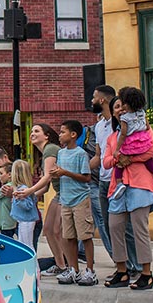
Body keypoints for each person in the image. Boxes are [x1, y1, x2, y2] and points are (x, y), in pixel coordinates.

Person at [103, 96, 153, 291]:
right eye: (116, 107)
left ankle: (146, 273)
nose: (120, 110)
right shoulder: (112, 137)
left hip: (140, 185)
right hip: (117, 188)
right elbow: (106, 161)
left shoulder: (144, 129)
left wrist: (131, 158)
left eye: (122, 106)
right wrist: (118, 159)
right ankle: (122, 270)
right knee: (114, 227)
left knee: (139, 230)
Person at [90, 86, 143, 277]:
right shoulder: (99, 126)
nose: (91, 101)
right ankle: (122, 266)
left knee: (126, 226)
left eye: (94, 97)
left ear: (104, 101)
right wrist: (76, 170)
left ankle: (135, 266)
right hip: (103, 183)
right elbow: (99, 156)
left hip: (121, 181)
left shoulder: (125, 126)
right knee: (108, 226)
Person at [15, 124, 67, 276]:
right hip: (59, 193)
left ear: (47, 136)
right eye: (31, 131)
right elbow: (46, 187)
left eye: (37, 131)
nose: (32, 133)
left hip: (66, 194)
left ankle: (67, 266)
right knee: (49, 230)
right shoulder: (46, 152)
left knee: (57, 231)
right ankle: (60, 265)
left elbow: (47, 177)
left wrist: (29, 191)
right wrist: (29, 195)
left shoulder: (50, 149)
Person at [52, 120, 97, 286]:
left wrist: (65, 172)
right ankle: (74, 270)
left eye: (63, 132)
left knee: (85, 236)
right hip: (66, 200)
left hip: (80, 200)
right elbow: (62, 173)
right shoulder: (61, 154)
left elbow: (86, 177)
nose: (60, 134)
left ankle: (90, 271)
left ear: (73, 135)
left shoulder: (80, 154)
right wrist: (57, 174)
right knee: (68, 236)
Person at [111, 87, 153, 202]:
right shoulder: (142, 113)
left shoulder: (125, 118)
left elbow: (123, 134)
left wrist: (117, 149)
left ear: (127, 104)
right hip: (144, 144)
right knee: (151, 165)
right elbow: (147, 127)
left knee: (119, 163)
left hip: (130, 145)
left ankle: (119, 184)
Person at [10, 159, 40, 248]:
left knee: (27, 245)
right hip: (24, 220)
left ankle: (32, 262)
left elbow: (28, 205)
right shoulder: (23, 188)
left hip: (27, 220)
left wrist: (18, 199)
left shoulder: (22, 189)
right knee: (23, 243)